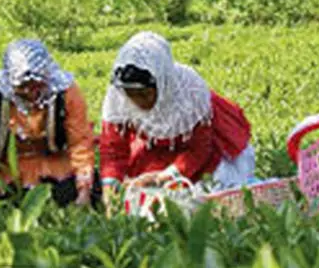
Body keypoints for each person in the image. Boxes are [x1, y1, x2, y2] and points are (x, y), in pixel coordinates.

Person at [99, 31, 255, 206]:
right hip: (154, 147)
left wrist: (166, 175)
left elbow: (198, 149)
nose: (138, 102)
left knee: (208, 199)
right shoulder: (118, 99)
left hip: (196, 152)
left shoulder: (191, 96)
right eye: (131, 95)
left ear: (161, 83)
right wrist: (110, 185)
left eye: (144, 94)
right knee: (143, 198)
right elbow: (113, 149)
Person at [0, 39, 97, 207]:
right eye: (23, 87)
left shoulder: (67, 94)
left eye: (36, 86)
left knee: (70, 193)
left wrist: (84, 189)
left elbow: (80, 142)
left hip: (56, 169)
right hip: (7, 172)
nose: (30, 93)